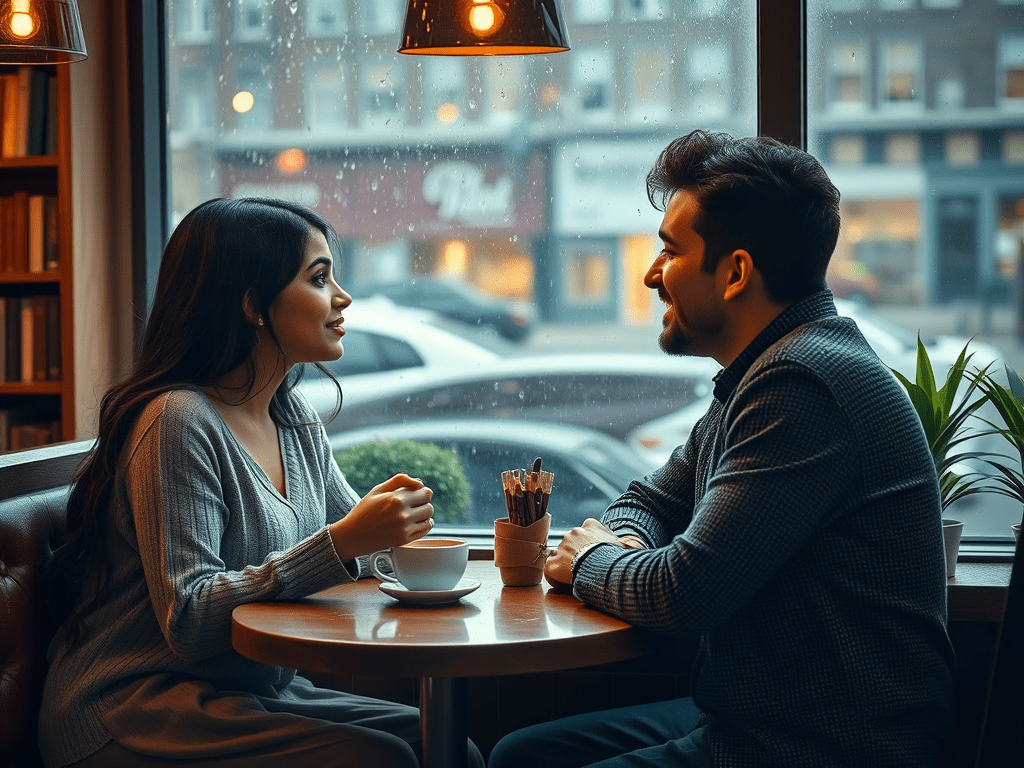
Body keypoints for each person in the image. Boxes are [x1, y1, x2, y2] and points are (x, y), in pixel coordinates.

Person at [489, 131, 955, 767]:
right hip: (763, 719)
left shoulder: (802, 384)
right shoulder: (764, 370)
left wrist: (593, 559)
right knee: (524, 754)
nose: (651, 274)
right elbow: (648, 498)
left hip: (824, 746)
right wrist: (625, 542)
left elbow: (680, 595)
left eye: (670, 251)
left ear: (735, 273)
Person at [39, 197, 485, 768]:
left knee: (453, 751)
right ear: (253, 303)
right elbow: (192, 620)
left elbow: (359, 559)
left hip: (250, 692)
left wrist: (389, 533)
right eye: (319, 278)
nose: (343, 298)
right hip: (134, 702)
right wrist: (346, 540)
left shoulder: (291, 416)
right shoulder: (178, 421)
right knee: (383, 760)